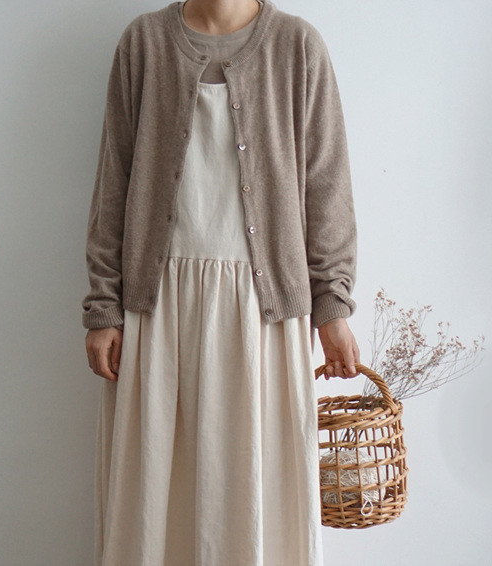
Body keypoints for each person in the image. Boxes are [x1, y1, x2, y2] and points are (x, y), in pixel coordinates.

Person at [82, 1, 360, 564]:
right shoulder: (143, 43)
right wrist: (103, 304)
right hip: (157, 306)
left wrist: (332, 305)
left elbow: (326, 184)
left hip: (265, 309)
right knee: (155, 491)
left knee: (258, 488)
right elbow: (115, 179)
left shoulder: (297, 46)